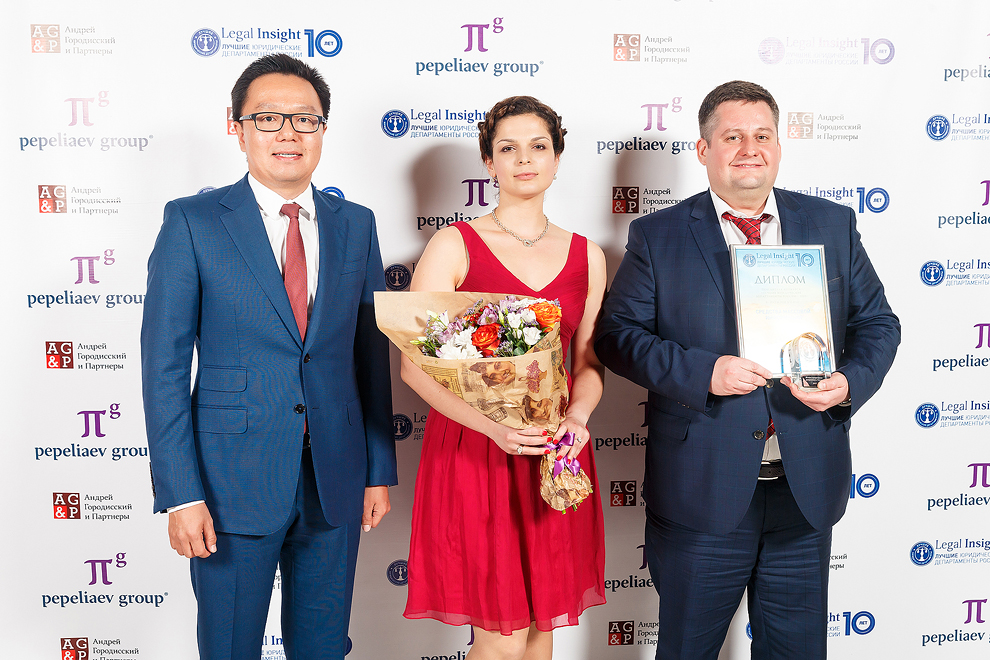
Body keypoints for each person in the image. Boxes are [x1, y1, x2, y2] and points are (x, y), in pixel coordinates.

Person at [594, 81, 900, 659]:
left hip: (804, 488)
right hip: (701, 487)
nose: (749, 149)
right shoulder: (658, 235)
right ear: (703, 150)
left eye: (762, 135)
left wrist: (848, 384)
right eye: (732, 137)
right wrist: (703, 372)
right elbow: (617, 338)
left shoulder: (831, 223)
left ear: (779, 146)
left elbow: (878, 324)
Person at [141, 53, 396, 660]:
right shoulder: (193, 221)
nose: (288, 133)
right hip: (229, 483)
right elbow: (164, 369)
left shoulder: (356, 224)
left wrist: (377, 469)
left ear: (323, 129)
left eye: (305, 119)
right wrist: (181, 493)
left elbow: (370, 357)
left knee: (324, 648)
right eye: (268, 118)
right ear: (237, 126)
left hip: (335, 479)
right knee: (230, 647)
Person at [401, 96, 607, 660]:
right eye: (508, 148)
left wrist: (577, 417)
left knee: (541, 634)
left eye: (538, 146)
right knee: (501, 641)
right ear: (488, 163)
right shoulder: (454, 244)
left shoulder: (588, 256)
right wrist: (495, 429)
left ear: (557, 157)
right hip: (477, 450)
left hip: (554, 451)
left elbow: (588, 364)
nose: (524, 159)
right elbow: (414, 366)